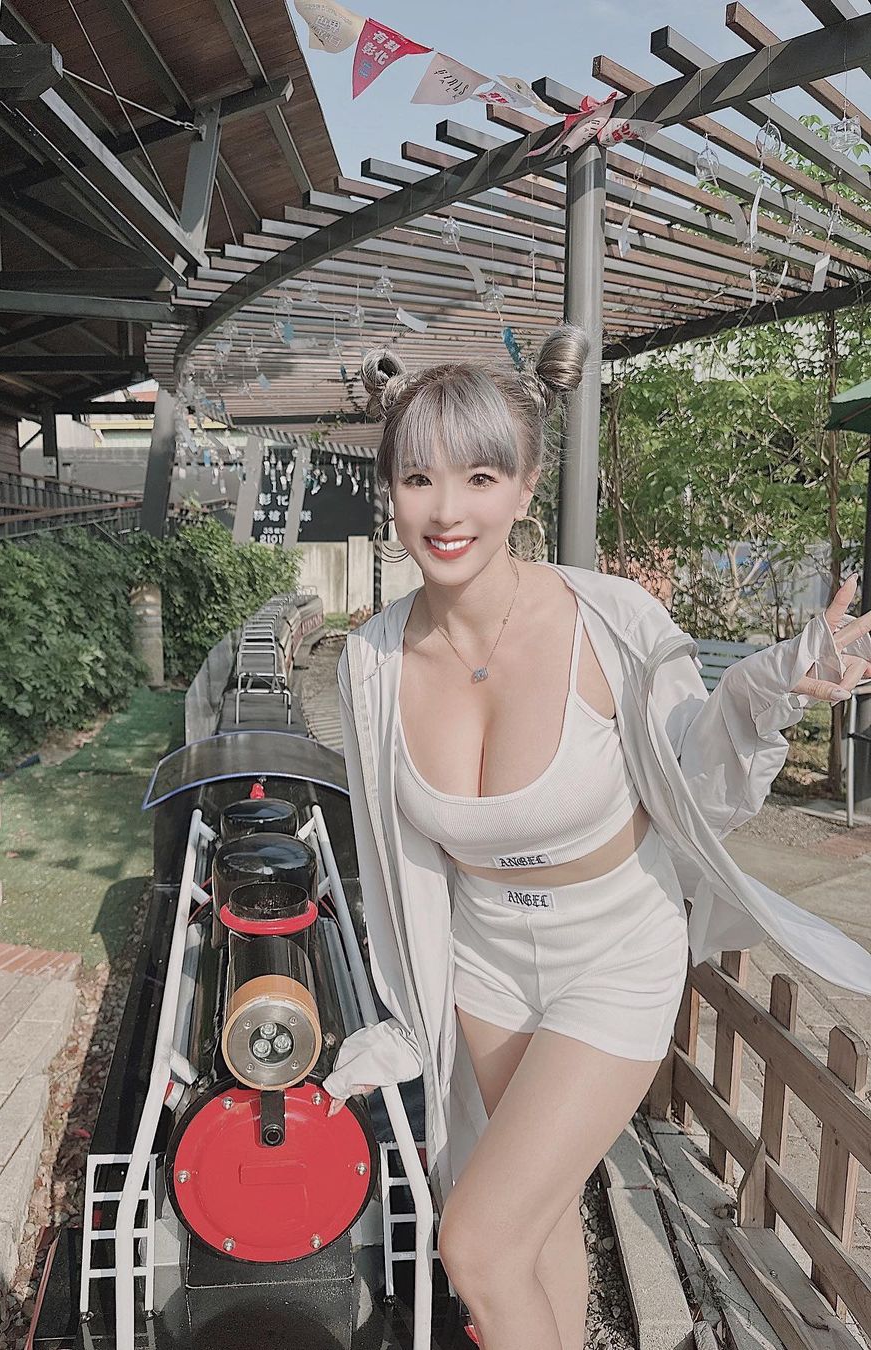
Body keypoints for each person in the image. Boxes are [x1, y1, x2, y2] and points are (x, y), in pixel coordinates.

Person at [319, 323, 871, 1350]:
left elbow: (695, 769)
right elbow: (393, 858)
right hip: (486, 962)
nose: (448, 511)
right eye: (419, 479)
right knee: (532, 1228)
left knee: (475, 1244)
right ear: (389, 491)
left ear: (526, 488)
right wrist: (404, 1008)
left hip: (614, 953)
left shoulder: (610, 621)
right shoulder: (371, 664)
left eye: (481, 477)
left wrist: (762, 690)